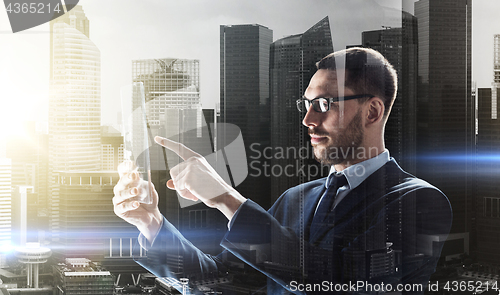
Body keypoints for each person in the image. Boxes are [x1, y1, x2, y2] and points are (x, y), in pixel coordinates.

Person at [113, 47, 452, 294]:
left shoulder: (419, 201)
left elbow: (341, 281)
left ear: (373, 111)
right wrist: (151, 223)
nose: (308, 120)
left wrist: (227, 199)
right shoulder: (296, 198)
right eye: (306, 105)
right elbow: (222, 282)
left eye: (323, 104)